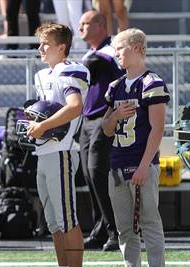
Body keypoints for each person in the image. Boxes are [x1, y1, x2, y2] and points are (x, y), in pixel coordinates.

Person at [100, 28, 168, 267]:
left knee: (150, 223)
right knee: (124, 228)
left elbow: (158, 129)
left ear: (138, 48)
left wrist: (143, 165)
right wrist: (115, 116)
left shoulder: (152, 83)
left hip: (141, 165)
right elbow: (105, 129)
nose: (116, 54)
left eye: (120, 48)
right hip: (117, 164)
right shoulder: (115, 87)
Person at [27, 23, 90, 267]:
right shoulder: (44, 74)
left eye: (45, 43)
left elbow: (74, 106)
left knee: (67, 218)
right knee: (54, 221)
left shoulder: (68, 69)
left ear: (61, 47)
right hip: (45, 152)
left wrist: (43, 126)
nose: (41, 48)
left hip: (62, 151)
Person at [78, 10, 123, 251]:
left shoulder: (111, 48)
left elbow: (97, 64)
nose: (81, 28)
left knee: (98, 172)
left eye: (86, 23)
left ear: (101, 25)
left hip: (105, 119)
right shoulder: (92, 53)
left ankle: (116, 231)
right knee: (88, 173)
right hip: (87, 121)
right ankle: (100, 228)